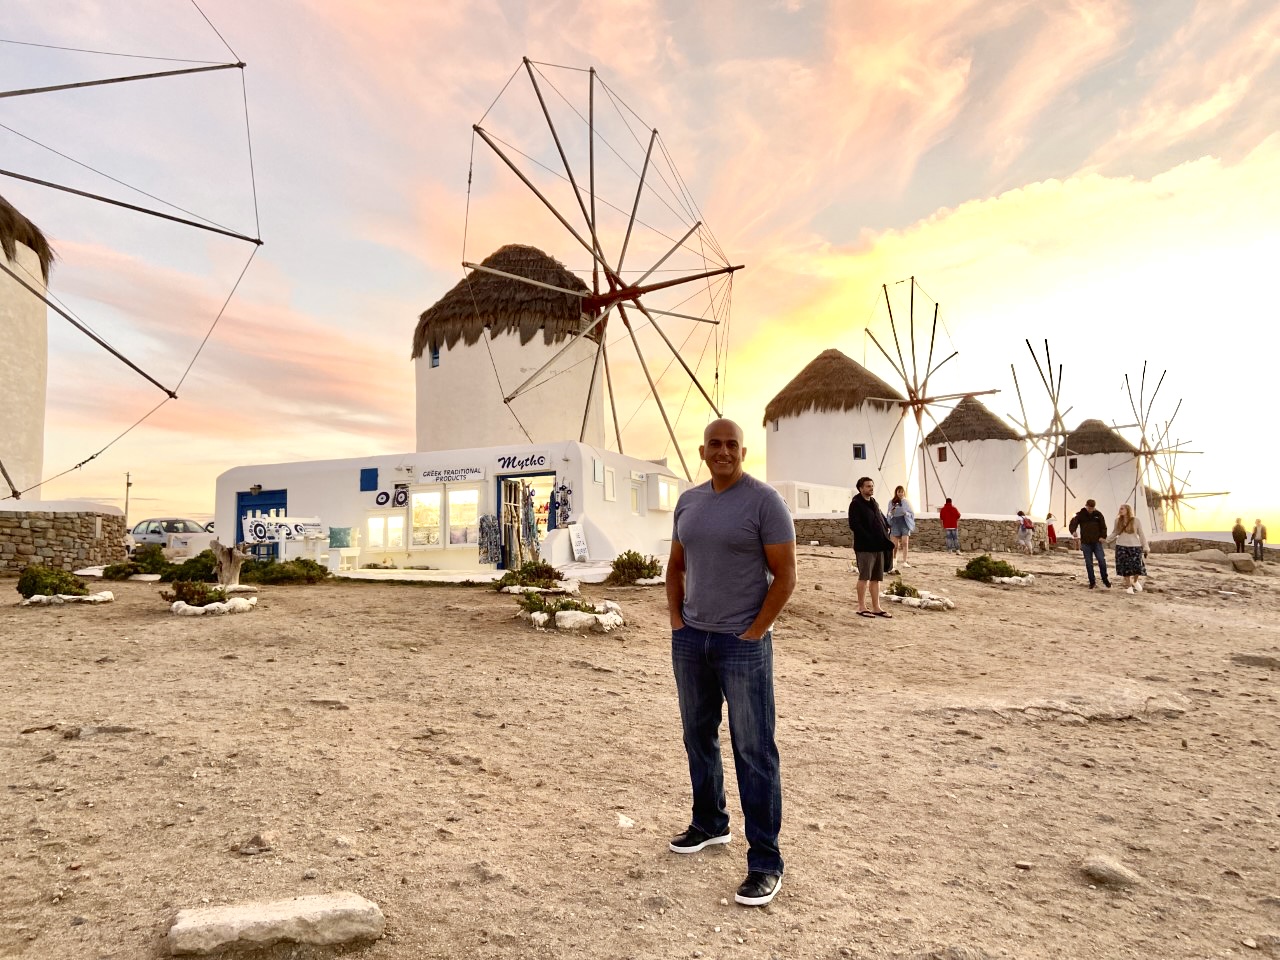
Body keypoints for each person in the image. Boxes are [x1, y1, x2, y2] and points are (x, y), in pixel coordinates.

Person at [665, 418, 797, 908]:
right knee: (697, 736)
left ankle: (765, 861)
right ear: (703, 452)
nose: (724, 452)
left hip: (742, 643)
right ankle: (709, 823)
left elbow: (786, 576)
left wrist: (755, 631)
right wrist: (678, 621)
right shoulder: (688, 502)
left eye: (732, 445)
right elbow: (676, 566)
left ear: (744, 452)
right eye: (715, 445)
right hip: (691, 639)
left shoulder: (765, 502)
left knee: (754, 750)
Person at [848, 477, 895, 619]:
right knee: (864, 577)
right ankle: (861, 607)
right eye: (868, 486)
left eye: (872, 486)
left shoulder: (874, 503)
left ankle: (876, 607)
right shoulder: (856, 504)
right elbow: (854, 525)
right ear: (861, 488)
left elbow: (880, 518)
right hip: (865, 547)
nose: (871, 488)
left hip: (878, 545)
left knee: (876, 578)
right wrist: (868, 537)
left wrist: (886, 527)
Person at [1069, 499, 1111, 588]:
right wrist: (1073, 532)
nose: (1090, 509)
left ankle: (1105, 579)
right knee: (1089, 563)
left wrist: (1103, 536)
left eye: (1092, 508)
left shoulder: (1098, 515)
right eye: (1089, 507)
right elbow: (1073, 524)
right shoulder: (1080, 514)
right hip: (1086, 543)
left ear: (1094, 507)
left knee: (1101, 560)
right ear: (1086, 506)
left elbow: (1104, 527)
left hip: (1097, 542)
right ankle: (1092, 582)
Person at [1108, 503, 1149, 593]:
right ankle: (1129, 586)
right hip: (1121, 546)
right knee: (1125, 567)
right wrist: (1106, 539)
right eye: (1120, 508)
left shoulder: (1136, 520)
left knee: (1138, 567)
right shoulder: (1117, 520)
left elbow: (1141, 534)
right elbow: (1115, 532)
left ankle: (1134, 581)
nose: (1120, 510)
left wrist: (1145, 547)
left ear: (1128, 510)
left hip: (1135, 546)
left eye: (1122, 508)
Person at [886, 485, 915, 568]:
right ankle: (894, 559)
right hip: (895, 522)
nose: (900, 493)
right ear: (896, 492)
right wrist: (892, 513)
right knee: (894, 545)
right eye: (899, 492)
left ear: (904, 493)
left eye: (902, 492)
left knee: (905, 543)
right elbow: (888, 513)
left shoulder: (907, 502)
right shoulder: (891, 502)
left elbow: (911, 513)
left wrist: (906, 513)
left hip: (904, 523)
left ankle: (905, 561)